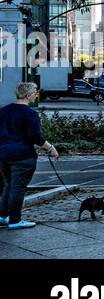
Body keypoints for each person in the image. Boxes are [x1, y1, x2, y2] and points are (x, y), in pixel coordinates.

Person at [0, 82, 59, 230]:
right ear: (28, 95)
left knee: (8, 185)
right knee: (18, 188)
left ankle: (2, 216)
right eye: (35, 93)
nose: (36, 95)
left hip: (3, 154)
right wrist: (50, 148)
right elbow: (35, 137)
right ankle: (15, 220)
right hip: (22, 155)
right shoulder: (30, 114)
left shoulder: (3, 111)